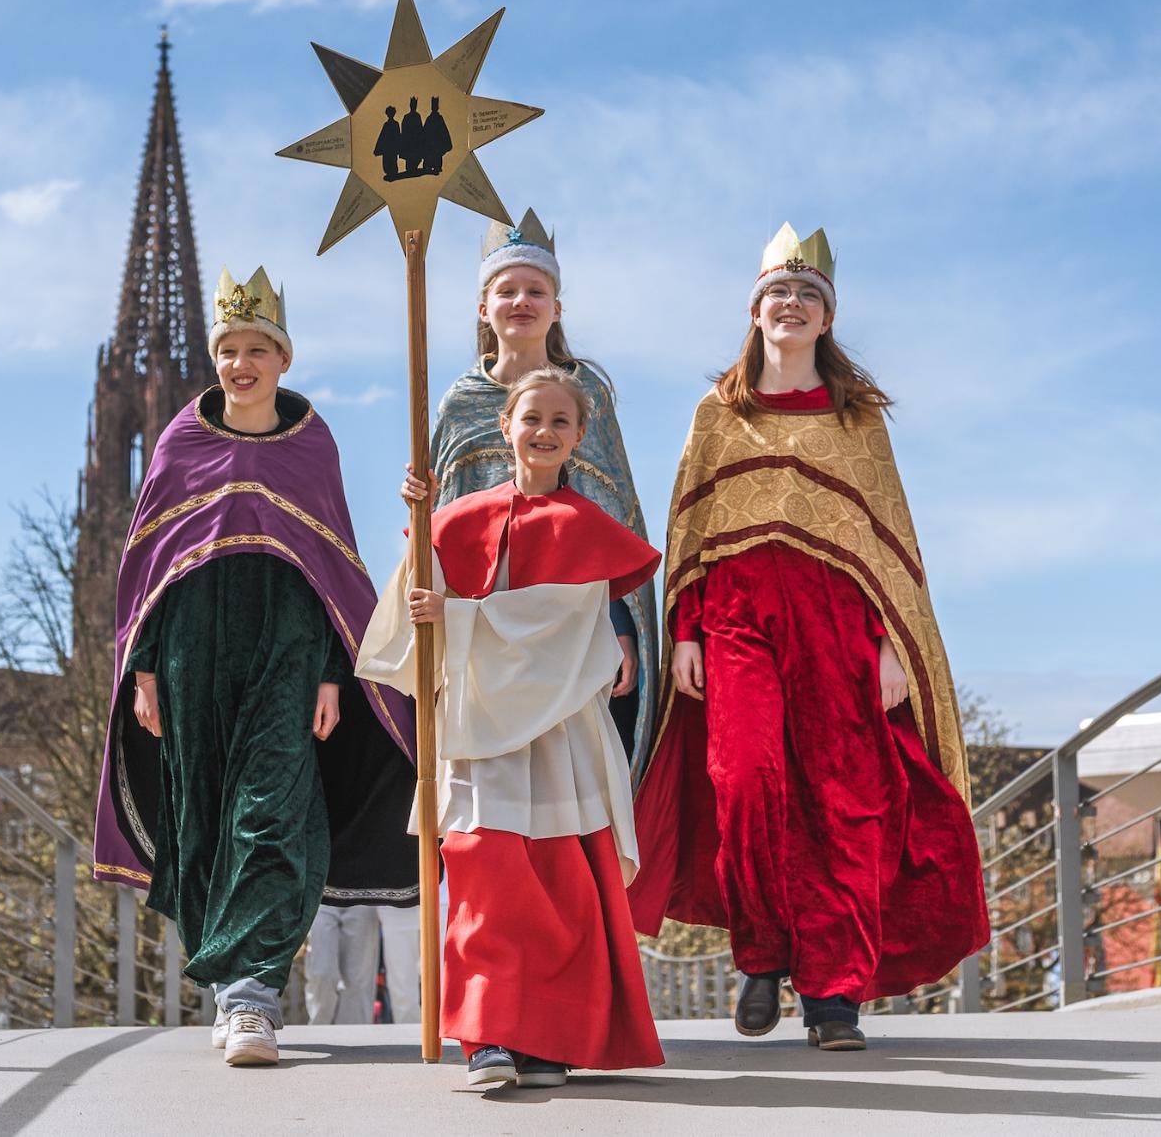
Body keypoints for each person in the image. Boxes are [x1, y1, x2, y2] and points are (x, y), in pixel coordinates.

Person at [627, 224, 988, 1052]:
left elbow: (893, 543)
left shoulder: (857, 419)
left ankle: (833, 994)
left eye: (808, 296)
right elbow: (690, 527)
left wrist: (896, 645)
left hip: (840, 627)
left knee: (844, 799)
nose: (791, 305)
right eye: (778, 294)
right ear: (754, 311)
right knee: (745, 779)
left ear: (826, 318)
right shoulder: (718, 413)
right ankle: (762, 952)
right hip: (735, 622)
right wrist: (684, 631)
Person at [92, 266, 419, 1068]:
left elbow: (334, 568)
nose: (242, 364)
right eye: (229, 349)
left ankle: (252, 997)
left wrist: (334, 675)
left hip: (288, 650)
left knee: (273, 809)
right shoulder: (181, 442)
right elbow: (148, 569)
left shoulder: (311, 445)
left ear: (283, 359)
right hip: (191, 653)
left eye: (257, 350)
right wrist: (142, 670)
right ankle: (232, 980)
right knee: (202, 813)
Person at [360, 369, 666, 1089]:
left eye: (561, 421)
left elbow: (559, 633)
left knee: (560, 888)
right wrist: (421, 535)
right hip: (477, 723)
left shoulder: (588, 532)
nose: (545, 431)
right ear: (504, 427)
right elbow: (409, 613)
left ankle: (547, 1037)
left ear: (580, 438)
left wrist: (458, 617)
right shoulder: (457, 519)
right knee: (484, 876)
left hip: (558, 729)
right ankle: (489, 1036)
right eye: (532, 417)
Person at [416, 208, 663, 776]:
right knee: (491, 772)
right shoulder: (460, 402)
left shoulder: (585, 394)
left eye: (536, 290)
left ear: (556, 309)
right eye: (507, 291)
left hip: (565, 621)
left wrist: (619, 627)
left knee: (567, 771)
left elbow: (611, 520)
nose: (521, 301)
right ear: (485, 308)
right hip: (486, 619)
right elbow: (444, 516)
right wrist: (419, 495)